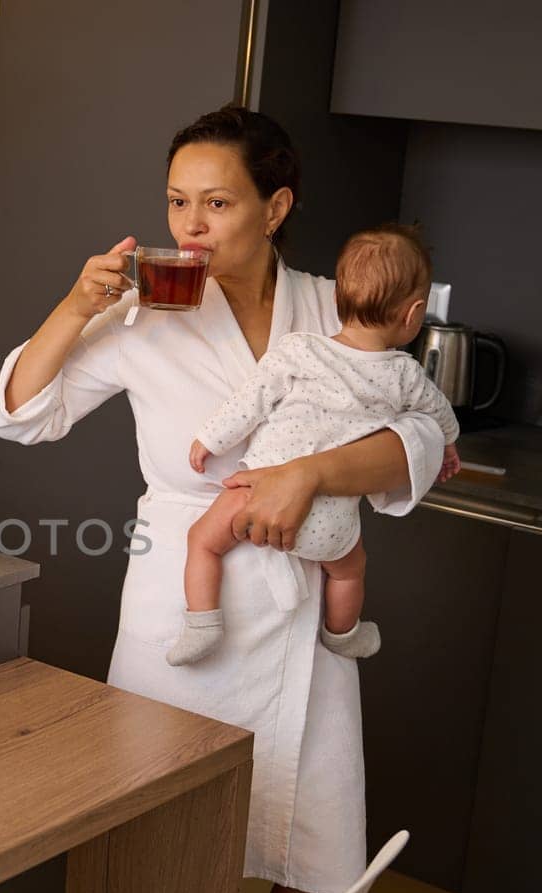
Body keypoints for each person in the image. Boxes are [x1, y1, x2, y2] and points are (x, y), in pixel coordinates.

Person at [0, 105, 446, 893]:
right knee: (155, 847)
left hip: (301, 616)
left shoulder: (334, 307)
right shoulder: (144, 314)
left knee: (317, 854)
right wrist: (74, 307)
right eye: (176, 203)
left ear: (276, 209)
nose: (190, 227)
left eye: (218, 205)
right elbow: (21, 415)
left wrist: (310, 474)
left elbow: (419, 442)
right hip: (184, 607)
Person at [167, 223, 462, 667]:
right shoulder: (405, 375)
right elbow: (439, 420)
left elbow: (250, 401)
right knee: (350, 572)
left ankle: (202, 623)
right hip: (333, 523)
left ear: (338, 297)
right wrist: (452, 447)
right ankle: (343, 635)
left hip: (252, 496)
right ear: (413, 313)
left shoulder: (299, 350)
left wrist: (210, 438)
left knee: (203, 542)